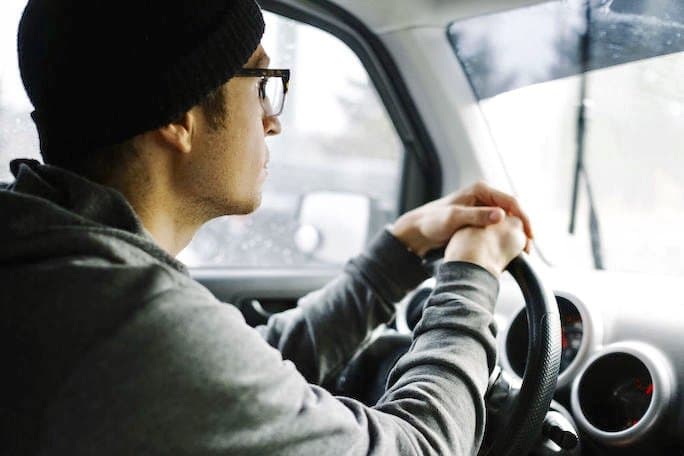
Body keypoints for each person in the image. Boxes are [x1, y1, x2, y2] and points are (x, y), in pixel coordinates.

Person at [0, 0, 533, 454]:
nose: (273, 120)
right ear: (179, 116)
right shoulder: (124, 317)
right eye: (260, 82)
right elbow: (418, 448)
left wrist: (400, 248)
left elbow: (242, 369)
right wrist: (471, 273)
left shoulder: (59, 267)